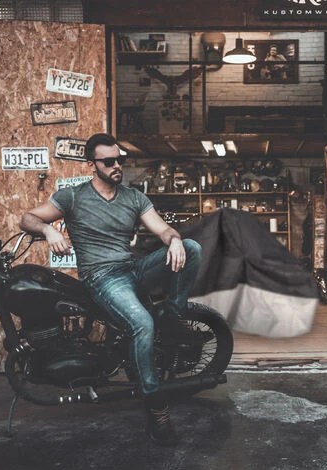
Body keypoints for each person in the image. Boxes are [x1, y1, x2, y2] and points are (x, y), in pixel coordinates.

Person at [19, 133, 205, 446]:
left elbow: (162, 229)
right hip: (102, 277)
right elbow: (27, 218)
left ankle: (172, 315)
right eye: (108, 161)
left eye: (120, 160)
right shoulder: (73, 196)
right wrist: (48, 229)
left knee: (191, 247)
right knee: (141, 324)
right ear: (91, 165)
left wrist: (174, 240)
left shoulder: (133, 197)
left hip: (133, 269)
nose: (117, 165)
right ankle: (156, 409)